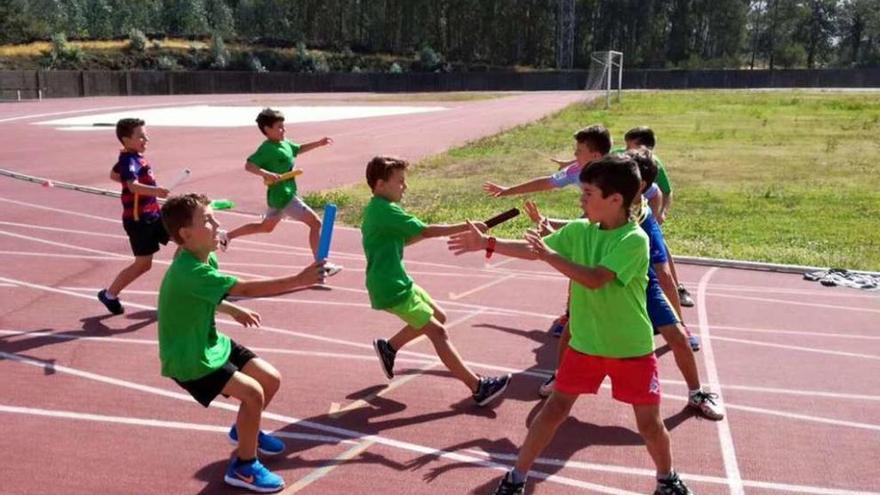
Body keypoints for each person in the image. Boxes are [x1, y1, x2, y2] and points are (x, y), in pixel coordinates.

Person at [449, 156, 694, 495]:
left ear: (615, 200)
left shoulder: (634, 240)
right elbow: (534, 250)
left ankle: (667, 478)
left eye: (588, 193)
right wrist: (489, 244)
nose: (581, 199)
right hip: (586, 345)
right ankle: (517, 477)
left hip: (631, 349)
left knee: (649, 425)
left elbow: (595, 279)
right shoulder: (581, 230)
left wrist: (549, 255)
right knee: (553, 410)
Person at [527, 148, 723, 420]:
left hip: (641, 285)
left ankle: (696, 392)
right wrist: (550, 229)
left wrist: (677, 316)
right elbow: (581, 227)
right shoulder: (609, 210)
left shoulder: (641, 225)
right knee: (573, 329)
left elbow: (663, 272)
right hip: (606, 280)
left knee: (677, 336)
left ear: (638, 186)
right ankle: (560, 376)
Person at [158, 193, 326, 493]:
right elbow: (245, 288)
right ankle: (244, 468)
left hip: (210, 343)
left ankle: (245, 430)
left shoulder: (197, 255)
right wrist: (300, 280)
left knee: (270, 379)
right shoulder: (192, 271)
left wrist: (230, 308)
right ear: (185, 234)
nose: (217, 223)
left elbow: (202, 296)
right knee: (253, 394)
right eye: (207, 220)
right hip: (190, 358)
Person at [363, 155, 511, 406]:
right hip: (390, 287)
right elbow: (427, 230)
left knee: (438, 316)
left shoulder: (380, 209)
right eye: (400, 181)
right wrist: (463, 228)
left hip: (397, 280)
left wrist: (430, 233)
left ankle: (390, 347)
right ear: (380, 184)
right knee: (438, 331)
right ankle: (478, 387)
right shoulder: (384, 210)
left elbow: (407, 238)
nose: (405, 186)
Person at [483, 125, 612, 337]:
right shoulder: (576, 171)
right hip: (592, 220)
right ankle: (572, 314)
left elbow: (651, 191)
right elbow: (546, 182)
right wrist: (508, 191)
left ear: (596, 155)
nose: (574, 155)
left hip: (620, 225)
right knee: (578, 263)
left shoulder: (620, 171)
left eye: (579, 151)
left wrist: (656, 213)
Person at [219, 108, 342, 276]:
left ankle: (228, 236)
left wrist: (318, 143)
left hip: (278, 197)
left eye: (283, 126)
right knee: (316, 223)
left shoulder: (285, 143)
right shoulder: (267, 148)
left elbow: (297, 149)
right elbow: (249, 165)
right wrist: (267, 174)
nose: (284, 130)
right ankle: (321, 264)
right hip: (283, 196)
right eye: (279, 127)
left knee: (266, 227)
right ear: (267, 130)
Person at [97, 118, 170, 315]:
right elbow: (132, 186)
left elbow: (114, 175)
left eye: (146, 135)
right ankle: (109, 294)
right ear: (126, 139)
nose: (146, 139)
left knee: (184, 236)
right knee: (143, 264)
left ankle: (184, 282)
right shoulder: (129, 160)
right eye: (141, 136)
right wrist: (156, 191)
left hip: (154, 214)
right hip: (139, 220)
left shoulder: (134, 156)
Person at [621, 126, 694, 308]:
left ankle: (678, 288)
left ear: (644, 148)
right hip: (626, 215)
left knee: (660, 252)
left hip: (643, 216)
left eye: (629, 146)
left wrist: (660, 213)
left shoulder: (653, 165)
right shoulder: (622, 158)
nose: (625, 149)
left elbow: (664, 192)